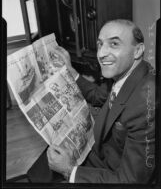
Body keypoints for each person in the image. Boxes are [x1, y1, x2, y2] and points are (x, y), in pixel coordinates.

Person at [29, 19, 155, 183]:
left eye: (114, 44)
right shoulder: (129, 71)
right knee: (44, 164)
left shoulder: (146, 106)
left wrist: (70, 171)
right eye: (100, 44)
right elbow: (99, 96)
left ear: (138, 50)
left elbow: (130, 180)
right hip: (101, 148)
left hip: (112, 170)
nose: (101, 53)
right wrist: (71, 70)